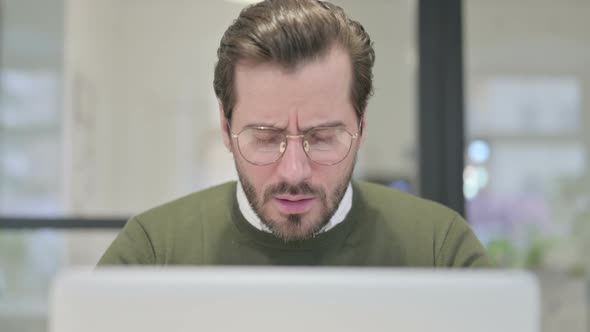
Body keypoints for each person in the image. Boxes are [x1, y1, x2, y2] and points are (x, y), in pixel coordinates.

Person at [98, 0, 490, 267]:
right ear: (225, 127)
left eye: (322, 137)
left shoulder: (440, 250)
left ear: (362, 126)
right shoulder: (152, 253)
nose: (294, 172)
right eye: (266, 137)